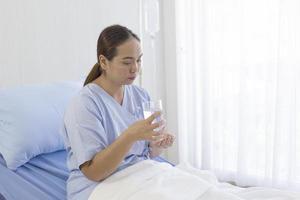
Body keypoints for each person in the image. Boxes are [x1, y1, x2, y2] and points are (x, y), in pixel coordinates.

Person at [62, 24, 175, 200]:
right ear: (103, 62)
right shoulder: (84, 103)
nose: (135, 69)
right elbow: (94, 172)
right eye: (127, 62)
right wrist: (130, 135)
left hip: (138, 174)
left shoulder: (140, 95)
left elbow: (145, 153)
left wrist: (158, 144)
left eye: (138, 60)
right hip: (98, 186)